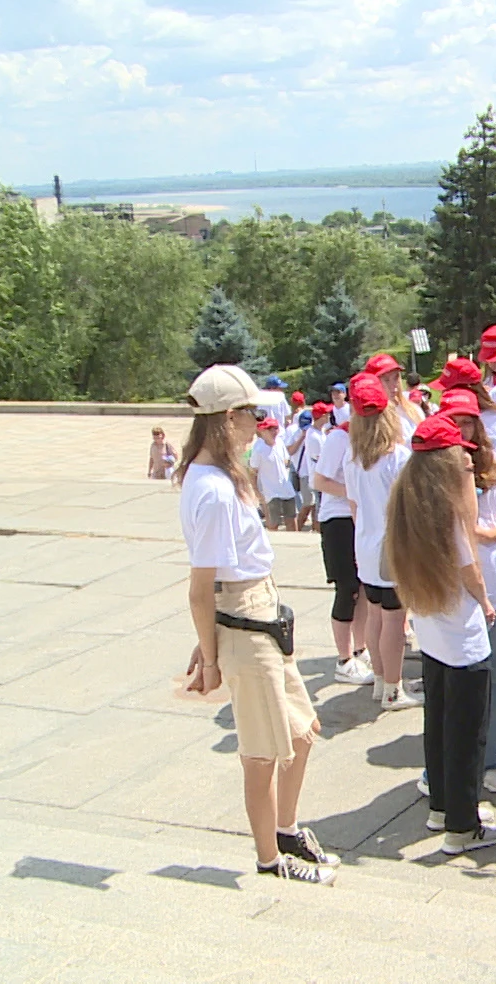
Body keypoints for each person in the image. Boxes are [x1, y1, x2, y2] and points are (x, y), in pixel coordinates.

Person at [176, 364, 337, 884]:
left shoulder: (220, 480)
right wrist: (211, 654)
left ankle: (284, 830)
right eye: (251, 414)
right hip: (244, 619)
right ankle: (270, 858)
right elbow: (202, 586)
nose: (259, 422)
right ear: (226, 420)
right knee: (262, 754)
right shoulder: (213, 490)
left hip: (259, 613)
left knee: (301, 732)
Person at [388, 413, 496, 854]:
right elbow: (468, 567)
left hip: (431, 627)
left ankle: (442, 806)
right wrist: (486, 600)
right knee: (466, 732)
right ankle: (463, 823)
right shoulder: (449, 511)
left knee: (437, 723)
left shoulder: (406, 506)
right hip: (461, 632)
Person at [443, 388, 496, 795]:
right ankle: (449, 765)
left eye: (468, 420)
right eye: (454, 420)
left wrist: (490, 532)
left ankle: (490, 760)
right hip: (455, 590)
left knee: (494, 679)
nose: (461, 428)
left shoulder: (494, 466)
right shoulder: (431, 469)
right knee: (457, 681)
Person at [339, 372, 421, 710]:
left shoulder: (354, 458)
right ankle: (393, 687)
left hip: (366, 545)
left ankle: (380, 681)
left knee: (375, 615)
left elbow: (355, 506)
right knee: (393, 621)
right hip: (392, 547)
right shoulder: (397, 457)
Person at [310, 401, 374, 688]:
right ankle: (343, 658)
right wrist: (356, 492)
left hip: (359, 516)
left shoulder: (370, 437)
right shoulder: (339, 437)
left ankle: (361, 649)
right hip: (337, 518)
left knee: (362, 587)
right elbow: (320, 480)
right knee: (346, 587)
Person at [250, 417, 300, 532]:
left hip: (286, 489)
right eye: (270, 429)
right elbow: (253, 472)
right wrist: (257, 492)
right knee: (273, 524)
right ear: (262, 431)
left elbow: (286, 461)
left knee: (291, 520)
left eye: (275, 428)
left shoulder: (280, 443)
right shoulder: (258, 449)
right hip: (270, 492)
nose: (274, 432)